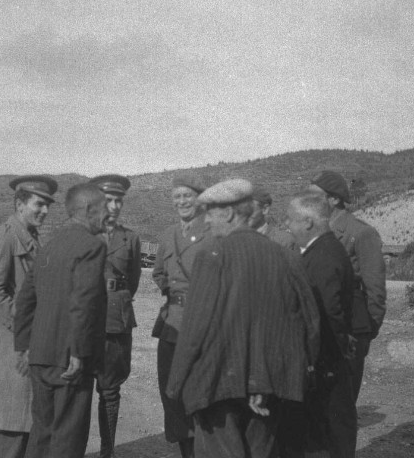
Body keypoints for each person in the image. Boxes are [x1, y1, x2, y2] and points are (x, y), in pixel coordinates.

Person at [165, 179, 320, 458]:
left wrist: (176, 384)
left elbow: (194, 328)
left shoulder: (212, 255)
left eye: (209, 213)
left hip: (217, 386)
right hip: (269, 387)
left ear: (228, 213)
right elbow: (309, 325)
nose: (206, 221)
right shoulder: (286, 257)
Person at [15, 182, 108, 458]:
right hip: (70, 360)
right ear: (89, 210)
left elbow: (25, 300)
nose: (108, 216)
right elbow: (84, 304)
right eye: (103, 209)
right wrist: (78, 353)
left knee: (42, 433)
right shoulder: (91, 246)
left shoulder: (49, 245)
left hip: (40, 356)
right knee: (68, 438)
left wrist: (23, 345)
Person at [0, 175, 57, 458]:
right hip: (11, 346)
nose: (45, 211)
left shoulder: (31, 237)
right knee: (8, 425)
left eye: (48, 205)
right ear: (20, 204)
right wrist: (25, 328)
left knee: (24, 422)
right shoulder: (6, 236)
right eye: (39, 204)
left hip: (26, 346)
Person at [286, 191, 357, 458]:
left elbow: (327, 316)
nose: (287, 226)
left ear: (307, 222)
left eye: (291, 219)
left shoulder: (323, 256)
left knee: (325, 440)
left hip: (325, 366)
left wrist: (317, 365)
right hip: (328, 364)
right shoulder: (323, 249)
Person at [310, 170, 386, 402]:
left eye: (315, 196)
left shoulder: (362, 233)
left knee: (342, 406)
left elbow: (376, 291)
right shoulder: (312, 231)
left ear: (334, 199)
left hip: (351, 329)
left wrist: (366, 332)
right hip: (321, 330)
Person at [151, 174, 213, 458]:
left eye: (187, 196)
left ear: (200, 199)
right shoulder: (166, 235)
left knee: (202, 394)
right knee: (172, 394)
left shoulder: (213, 232)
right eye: (176, 197)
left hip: (204, 324)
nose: (181, 202)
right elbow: (159, 274)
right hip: (172, 325)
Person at [88, 174, 142, 458]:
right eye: (108, 200)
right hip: (84, 318)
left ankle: (107, 451)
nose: (114, 205)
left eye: (118, 200)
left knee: (110, 390)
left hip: (115, 319)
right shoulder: (82, 234)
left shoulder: (130, 238)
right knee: (77, 389)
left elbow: (131, 281)